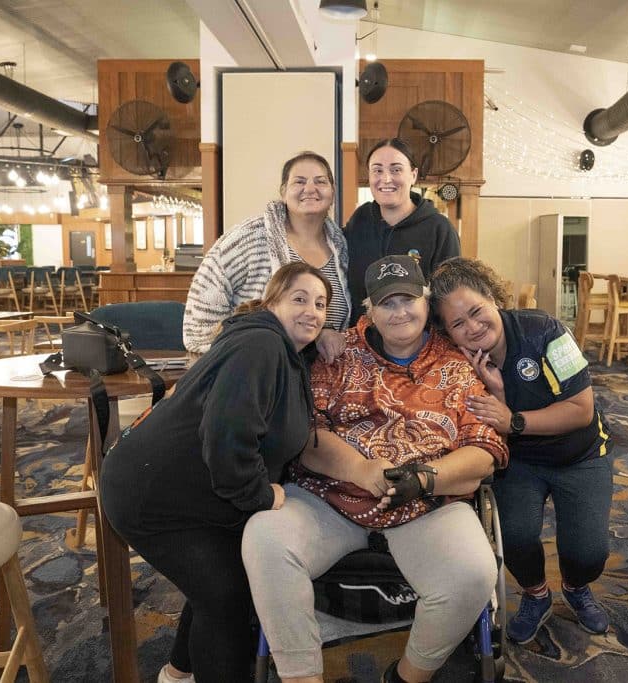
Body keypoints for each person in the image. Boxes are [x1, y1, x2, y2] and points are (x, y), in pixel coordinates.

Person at [242, 255, 508, 683]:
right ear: (369, 310)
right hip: (331, 498)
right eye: (387, 303)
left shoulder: (458, 363)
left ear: (426, 302)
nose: (399, 312)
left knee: (475, 572)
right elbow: (308, 436)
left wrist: (425, 478)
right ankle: (300, 675)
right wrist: (363, 470)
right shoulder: (336, 352)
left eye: (408, 299)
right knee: (264, 537)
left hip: (426, 505)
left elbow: (484, 450)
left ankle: (407, 676)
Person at [101, 262, 331, 683]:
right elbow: (227, 436)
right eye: (299, 299)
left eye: (320, 304)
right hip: (152, 496)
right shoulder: (261, 345)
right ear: (271, 302)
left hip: (190, 492)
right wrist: (261, 496)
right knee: (227, 597)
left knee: (220, 583)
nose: (312, 312)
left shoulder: (279, 348)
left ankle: (177, 675)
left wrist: (328, 338)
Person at [430, 257, 612, 644]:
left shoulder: (545, 331)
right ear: (448, 332)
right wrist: (496, 394)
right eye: (458, 324)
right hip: (520, 461)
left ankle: (576, 587)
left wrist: (512, 418)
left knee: (588, 554)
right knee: (514, 537)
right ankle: (536, 595)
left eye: (476, 311)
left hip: (580, 456)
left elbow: (581, 410)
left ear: (495, 298)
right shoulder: (455, 359)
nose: (472, 327)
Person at [183, 151, 351, 360]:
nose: (310, 188)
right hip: (251, 365)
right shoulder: (250, 236)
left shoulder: (342, 246)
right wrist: (224, 354)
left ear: (333, 192)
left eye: (320, 181)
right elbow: (203, 302)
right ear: (283, 192)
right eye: (299, 181)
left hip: (317, 372)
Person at [344, 138, 461, 323]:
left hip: (419, 337)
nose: (386, 179)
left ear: (413, 175)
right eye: (377, 170)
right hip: (361, 335)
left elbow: (450, 297)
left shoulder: (439, 229)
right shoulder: (360, 221)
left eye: (396, 170)